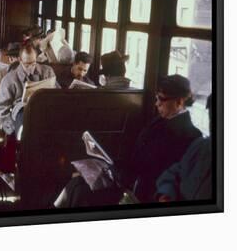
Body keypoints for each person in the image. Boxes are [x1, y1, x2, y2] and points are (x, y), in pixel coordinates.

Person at [54, 74, 203, 207]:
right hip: (128, 178)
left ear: (179, 101)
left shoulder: (190, 137)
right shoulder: (161, 120)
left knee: (81, 192)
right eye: (157, 98)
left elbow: (159, 175)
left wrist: (122, 175)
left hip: (141, 193)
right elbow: (138, 155)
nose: (157, 104)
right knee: (77, 183)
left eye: (162, 99)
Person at [156, 93, 213, 202]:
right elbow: (173, 174)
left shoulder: (190, 134)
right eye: (212, 116)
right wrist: (166, 194)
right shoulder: (200, 145)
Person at [0, 43, 57, 137]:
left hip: (46, 111)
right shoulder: (9, 79)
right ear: (20, 60)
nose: (31, 67)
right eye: (27, 64)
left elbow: (58, 94)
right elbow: (1, 108)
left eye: (34, 63)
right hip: (22, 115)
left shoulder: (47, 72)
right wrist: (12, 129)